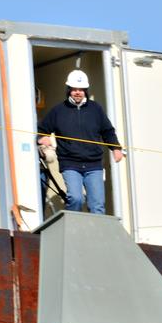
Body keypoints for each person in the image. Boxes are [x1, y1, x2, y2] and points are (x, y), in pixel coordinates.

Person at [37, 69, 123, 214]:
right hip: (70, 164)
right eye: (74, 89)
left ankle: (95, 229)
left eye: (81, 89)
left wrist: (116, 148)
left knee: (97, 205)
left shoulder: (96, 109)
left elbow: (108, 131)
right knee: (76, 199)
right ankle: (72, 226)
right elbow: (41, 131)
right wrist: (42, 137)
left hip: (94, 164)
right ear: (69, 90)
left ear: (85, 91)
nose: (78, 92)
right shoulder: (58, 111)